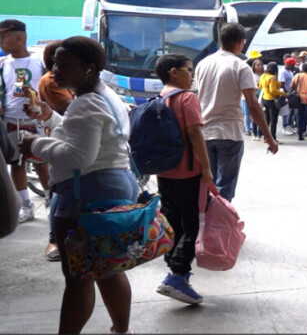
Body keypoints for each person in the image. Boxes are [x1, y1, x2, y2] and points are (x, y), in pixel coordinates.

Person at [17, 36, 137, 335]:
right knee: (108, 268)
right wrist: (51, 117)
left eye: (65, 65)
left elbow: (78, 156)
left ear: (89, 69)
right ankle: (121, 330)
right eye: (55, 63)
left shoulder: (86, 102)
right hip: (113, 183)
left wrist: (35, 144)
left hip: (86, 193)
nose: (55, 71)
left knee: (78, 276)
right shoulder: (104, 94)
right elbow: (84, 135)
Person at [151, 53, 214, 305]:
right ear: (174, 72)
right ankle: (177, 277)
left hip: (164, 172)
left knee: (173, 222)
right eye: (189, 70)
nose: (192, 75)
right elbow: (195, 133)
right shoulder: (187, 98)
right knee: (192, 224)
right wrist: (207, 168)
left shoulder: (159, 98)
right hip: (188, 172)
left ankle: (175, 270)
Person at [194, 23, 277, 202]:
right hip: (229, 134)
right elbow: (252, 105)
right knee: (224, 190)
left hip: (204, 134)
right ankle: (220, 220)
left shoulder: (202, 64)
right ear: (240, 42)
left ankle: (207, 219)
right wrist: (269, 137)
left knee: (208, 187)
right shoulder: (240, 66)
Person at [0, 19, 50, 226]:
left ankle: (51, 203)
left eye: (4, 37)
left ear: (20, 38)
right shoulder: (3, 64)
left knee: (42, 163)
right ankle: (25, 205)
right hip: (11, 120)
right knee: (16, 163)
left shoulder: (40, 62)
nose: (1, 41)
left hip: (35, 121)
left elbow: (50, 88)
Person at [36, 40, 73, 261]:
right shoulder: (51, 80)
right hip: (60, 138)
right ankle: (54, 239)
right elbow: (70, 108)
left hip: (65, 136)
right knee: (60, 189)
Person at [259, 62, 287, 140]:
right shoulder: (272, 78)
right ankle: (273, 138)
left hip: (265, 98)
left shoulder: (263, 76)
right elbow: (273, 91)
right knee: (273, 119)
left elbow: (260, 86)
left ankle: (266, 137)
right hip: (272, 100)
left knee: (267, 118)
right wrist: (282, 93)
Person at [290, 62, 307, 141]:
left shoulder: (298, 75)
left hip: (299, 99)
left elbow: (292, 86)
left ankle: (300, 134)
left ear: (302, 68)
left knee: (300, 117)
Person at [247, 59, 265, 141]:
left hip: (263, 96)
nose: (260, 66)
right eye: (258, 65)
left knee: (262, 115)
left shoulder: (264, 75)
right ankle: (254, 133)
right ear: (253, 66)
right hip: (255, 96)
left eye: (261, 65)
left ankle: (261, 133)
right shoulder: (252, 75)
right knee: (254, 115)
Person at [279, 57, 297, 136]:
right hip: (286, 94)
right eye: (292, 65)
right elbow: (281, 84)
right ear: (288, 64)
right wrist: (286, 94)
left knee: (290, 111)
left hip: (290, 93)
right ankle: (284, 127)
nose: (293, 67)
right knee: (285, 111)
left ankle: (288, 125)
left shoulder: (289, 71)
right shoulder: (283, 72)